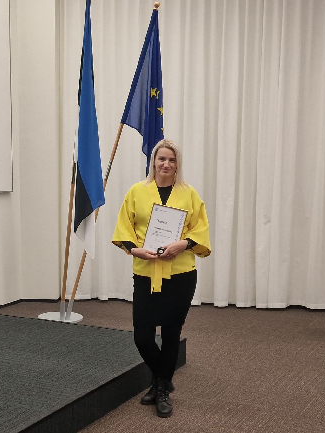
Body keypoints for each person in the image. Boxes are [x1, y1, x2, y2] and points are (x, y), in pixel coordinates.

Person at [112, 139, 211, 418]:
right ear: (153, 161)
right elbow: (124, 228)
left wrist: (183, 244)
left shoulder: (189, 194)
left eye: (172, 160)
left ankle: (161, 389)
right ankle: (163, 379)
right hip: (146, 272)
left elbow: (200, 229)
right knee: (143, 337)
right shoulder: (137, 191)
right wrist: (135, 250)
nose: (166, 164)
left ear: (178, 164)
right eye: (161, 159)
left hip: (180, 274)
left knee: (171, 334)